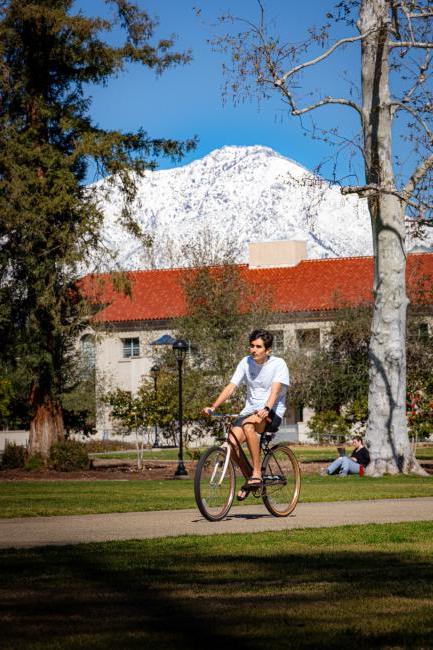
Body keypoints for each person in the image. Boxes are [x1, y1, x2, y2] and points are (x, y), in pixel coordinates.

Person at [203, 328, 290, 500]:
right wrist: (214, 406)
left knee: (248, 425)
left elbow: (275, 391)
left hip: (272, 411)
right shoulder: (245, 362)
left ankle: (257, 472)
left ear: (268, 350)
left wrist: (265, 409)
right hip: (249, 411)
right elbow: (231, 387)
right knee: (231, 442)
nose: (254, 350)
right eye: (252, 346)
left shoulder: (278, 364)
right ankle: (250, 477)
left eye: (258, 347)